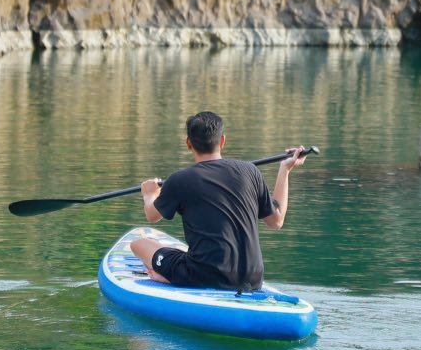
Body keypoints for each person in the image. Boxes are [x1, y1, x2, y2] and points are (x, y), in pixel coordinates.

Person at [128, 112, 306, 292]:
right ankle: (171, 273)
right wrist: (285, 169)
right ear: (222, 141)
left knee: (138, 244)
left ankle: (167, 276)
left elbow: (152, 215)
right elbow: (276, 221)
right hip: (252, 279)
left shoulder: (180, 179)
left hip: (203, 276)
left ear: (188, 143)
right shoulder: (250, 171)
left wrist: (150, 193)